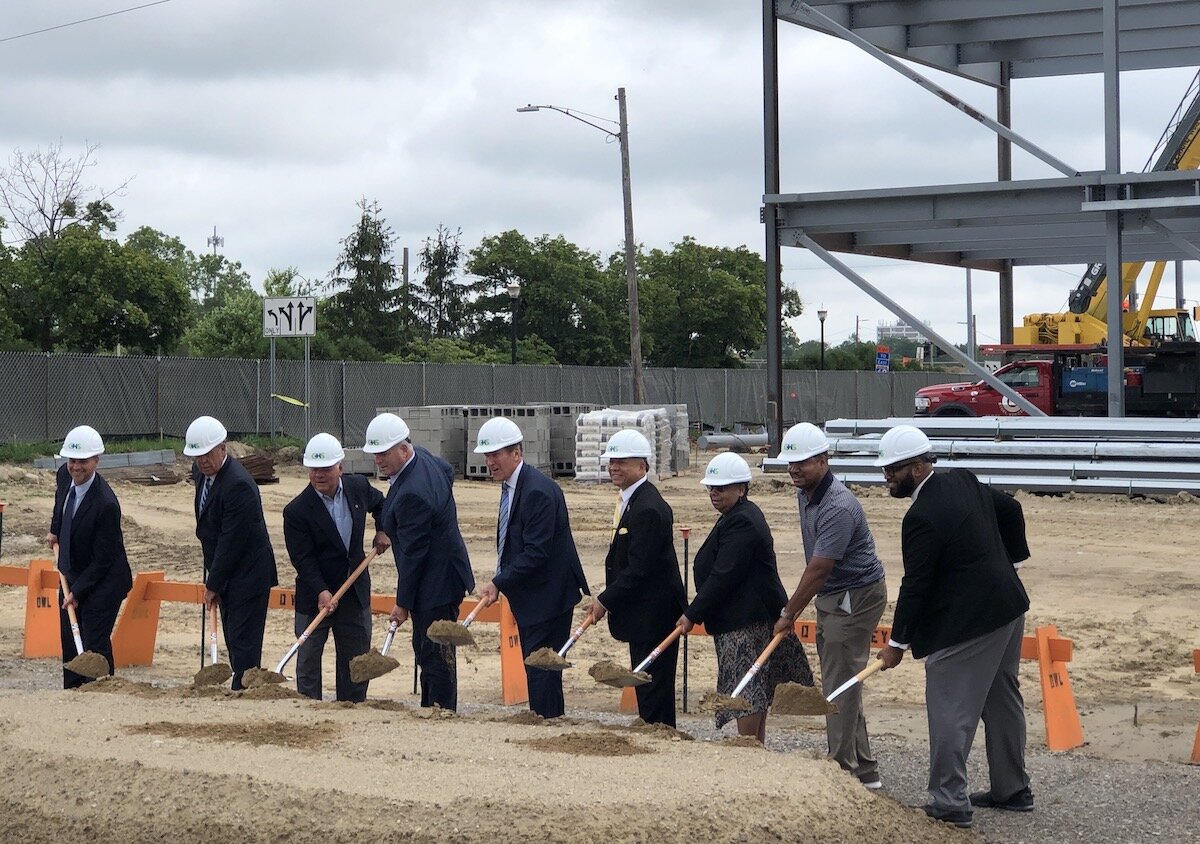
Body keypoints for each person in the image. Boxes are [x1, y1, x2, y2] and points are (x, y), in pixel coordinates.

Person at [874, 425, 1033, 830]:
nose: (887, 479)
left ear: (917, 467)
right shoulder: (964, 480)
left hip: (972, 621)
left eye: (892, 471)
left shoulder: (921, 517)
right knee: (1001, 698)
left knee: (948, 702)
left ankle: (948, 800)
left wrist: (897, 643)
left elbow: (916, 585)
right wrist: (1010, 566)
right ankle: (1012, 789)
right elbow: (1012, 511)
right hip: (1009, 606)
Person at [773, 422, 888, 789]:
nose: (794, 469)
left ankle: (841, 769)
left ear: (823, 460)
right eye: (790, 462)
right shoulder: (805, 493)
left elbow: (820, 569)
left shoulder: (838, 505)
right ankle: (865, 770)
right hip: (835, 595)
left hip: (854, 595)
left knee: (838, 685)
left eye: (802, 462)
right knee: (843, 680)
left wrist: (789, 613)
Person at [678, 452, 812, 743]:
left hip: (745, 623)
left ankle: (749, 746)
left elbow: (723, 576)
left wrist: (692, 614)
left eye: (721, 488)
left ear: (741, 488)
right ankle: (755, 746)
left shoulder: (743, 522)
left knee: (747, 687)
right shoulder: (735, 515)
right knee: (753, 686)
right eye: (711, 488)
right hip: (739, 619)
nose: (714, 494)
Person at [474, 416, 589, 719]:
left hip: (548, 596)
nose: (490, 462)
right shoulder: (513, 487)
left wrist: (499, 582)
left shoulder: (537, 491)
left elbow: (536, 552)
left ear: (516, 453)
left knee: (541, 666)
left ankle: (547, 720)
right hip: (535, 594)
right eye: (487, 456)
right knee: (538, 666)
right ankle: (545, 716)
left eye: (495, 455)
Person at [364, 413, 475, 711]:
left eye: (384, 453)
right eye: (374, 453)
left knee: (434, 652)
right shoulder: (423, 458)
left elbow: (414, 555)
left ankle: (439, 710)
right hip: (445, 572)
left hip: (435, 581)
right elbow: (447, 470)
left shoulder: (413, 493)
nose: (378, 460)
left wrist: (402, 603)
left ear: (403, 448)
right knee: (430, 648)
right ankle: (433, 706)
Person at [589, 429, 686, 727]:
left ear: (642, 466)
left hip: (654, 617)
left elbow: (640, 568)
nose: (614, 467)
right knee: (645, 685)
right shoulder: (632, 501)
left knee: (653, 688)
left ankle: (661, 739)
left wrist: (605, 599)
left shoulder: (648, 508)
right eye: (611, 462)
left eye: (622, 462)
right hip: (643, 616)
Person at [282, 433, 389, 702]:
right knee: (307, 663)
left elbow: (384, 505)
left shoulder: (358, 488)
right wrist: (321, 590)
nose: (319, 475)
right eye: (314, 469)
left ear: (340, 467)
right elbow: (302, 559)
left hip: (353, 592)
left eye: (326, 469)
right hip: (314, 597)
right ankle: (309, 712)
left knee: (355, 662)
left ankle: (351, 708)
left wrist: (383, 529)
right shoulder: (296, 511)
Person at [185, 415, 278, 691]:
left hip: (248, 576)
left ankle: (245, 691)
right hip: (227, 575)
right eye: (197, 455)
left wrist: (213, 583)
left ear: (222, 448)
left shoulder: (238, 485)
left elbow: (231, 542)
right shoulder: (202, 473)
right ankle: (241, 686)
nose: (202, 461)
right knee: (233, 637)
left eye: (207, 454)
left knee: (244, 643)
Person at [45, 425, 132, 689]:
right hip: (72, 570)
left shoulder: (105, 504)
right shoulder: (64, 475)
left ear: (96, 460)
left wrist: (79, 592)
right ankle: (72, 691)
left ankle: (102, 689)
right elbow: (61, 502)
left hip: (105, 581)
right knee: (70, 637)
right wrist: (55, 529)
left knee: (93, 639)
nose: (76, 467)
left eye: (83, 461)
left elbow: (103, 560)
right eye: (72, 460)